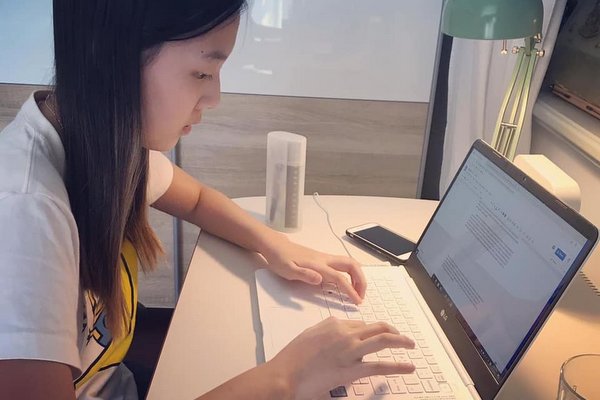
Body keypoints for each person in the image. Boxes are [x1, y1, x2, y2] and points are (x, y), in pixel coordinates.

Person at [0, 1, 416, 399]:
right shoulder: (26, 214)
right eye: (202, 73)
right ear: (111, 57)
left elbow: (197, 199)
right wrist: (288, 377)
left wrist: (278, 246)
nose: (214, 97)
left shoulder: (99, 143)